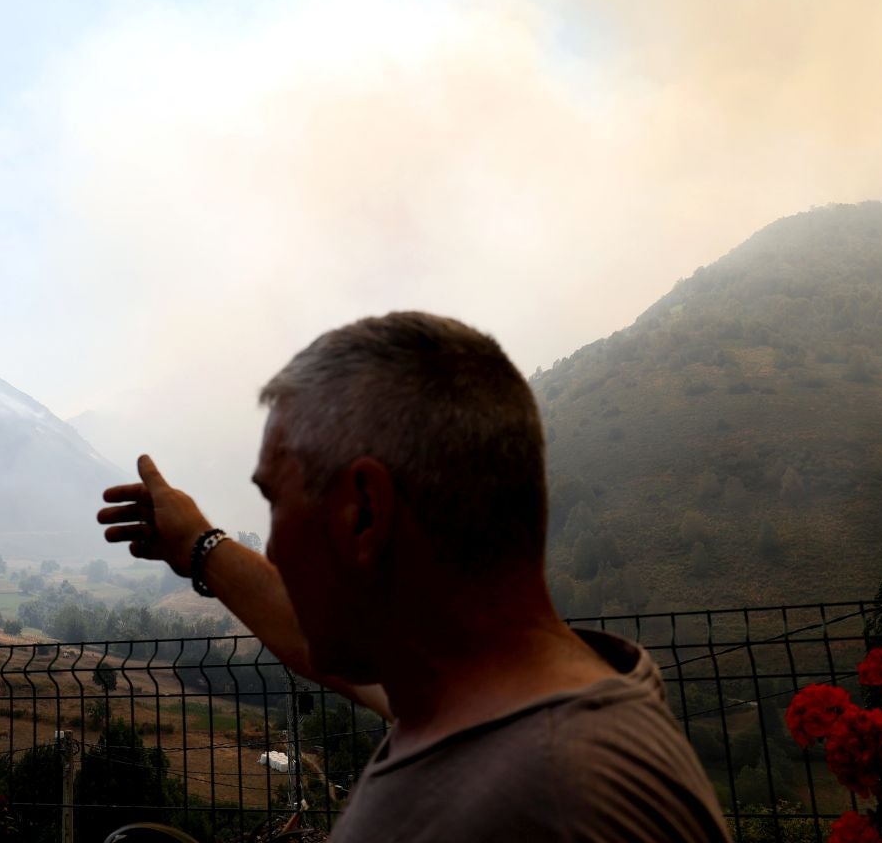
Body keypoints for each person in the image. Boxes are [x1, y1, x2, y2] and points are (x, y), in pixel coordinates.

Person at [97, 311, 730, 841]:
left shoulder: (547, 798)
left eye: (278, 504)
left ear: (366, 510)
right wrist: (202, 547)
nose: (277, 547)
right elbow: (310, 641)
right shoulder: (476, 704)